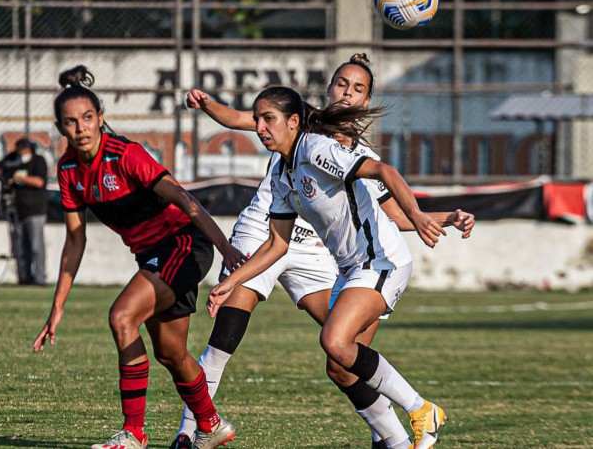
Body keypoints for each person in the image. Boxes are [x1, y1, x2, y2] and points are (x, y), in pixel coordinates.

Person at [171, 55, 474, 449]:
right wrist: (231, 280)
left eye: (358, 88)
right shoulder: (289, 148)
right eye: (341, 84)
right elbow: (275, 241)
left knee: (339, 348)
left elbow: (393, 201)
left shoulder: (327, 149)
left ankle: (411, 417)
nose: (347, 93)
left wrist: (435, 217)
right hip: (305, 250)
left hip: (352, 257)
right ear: (327, 90)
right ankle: (396, 440)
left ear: (366, 101)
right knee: (319, 356)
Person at [32, 65, 246, 449]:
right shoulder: (67, 170)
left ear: (100, 118)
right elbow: (74, 242)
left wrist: (225, 247)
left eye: (87, 118)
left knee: (121, 316)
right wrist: (57, 307)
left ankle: (133, 434)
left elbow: (184, 199)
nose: (80, 128)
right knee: (171, 352)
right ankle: (211, 425)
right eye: (70, 122)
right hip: (154, 257)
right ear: (60, 128)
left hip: (185, 244)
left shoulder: (126, 155)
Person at [0, 137, 48, 285]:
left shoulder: (38, 161)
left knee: (36, 247)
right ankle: (24, 278)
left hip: (35, 210)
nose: (22, 154)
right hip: (17, 210)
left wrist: (19, 178)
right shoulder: (14, 160)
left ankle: (39, 278)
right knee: (21, 248)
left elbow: (40, 182)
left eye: (24, 150)